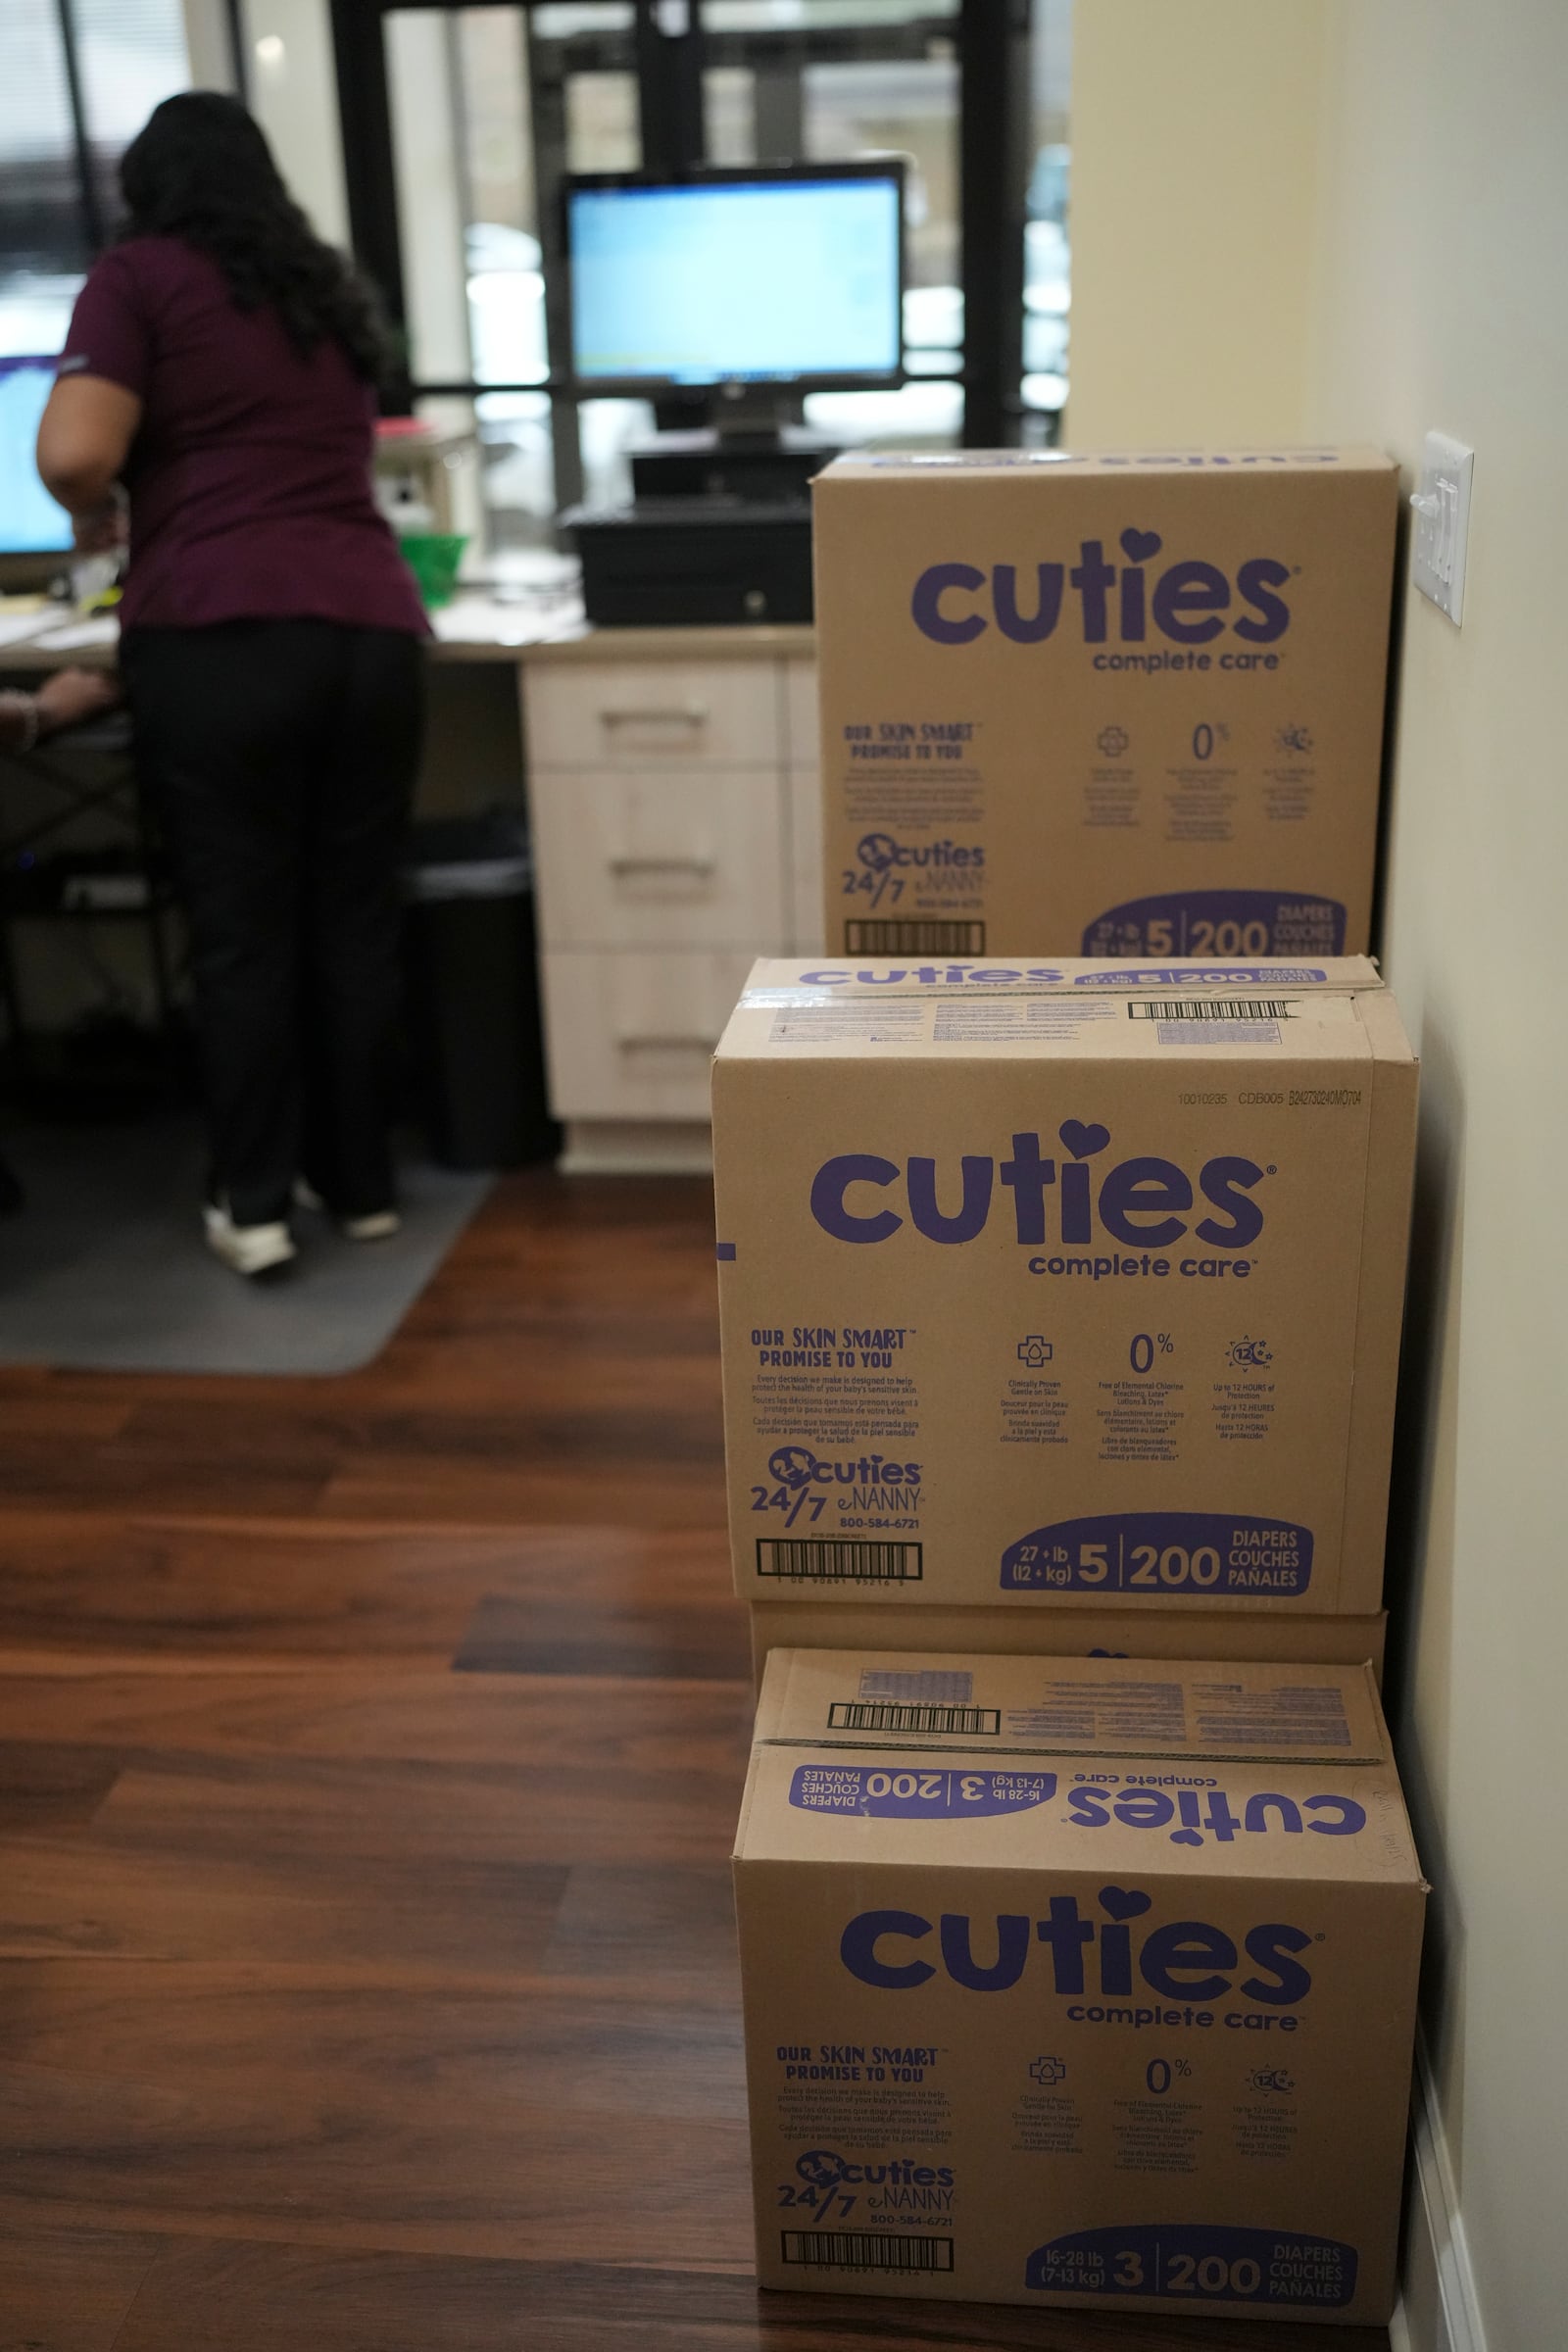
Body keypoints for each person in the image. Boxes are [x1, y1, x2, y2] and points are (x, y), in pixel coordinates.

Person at [35, 91, 429, 1279]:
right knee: (350, 923)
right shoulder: (317, 286)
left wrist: (98, 512)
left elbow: (71, 451)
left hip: (221, 635)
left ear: (146, 189)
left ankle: (253, 1204)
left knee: (243, 935)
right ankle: (358, 1187)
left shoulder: (137, 276)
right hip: (368, 634)